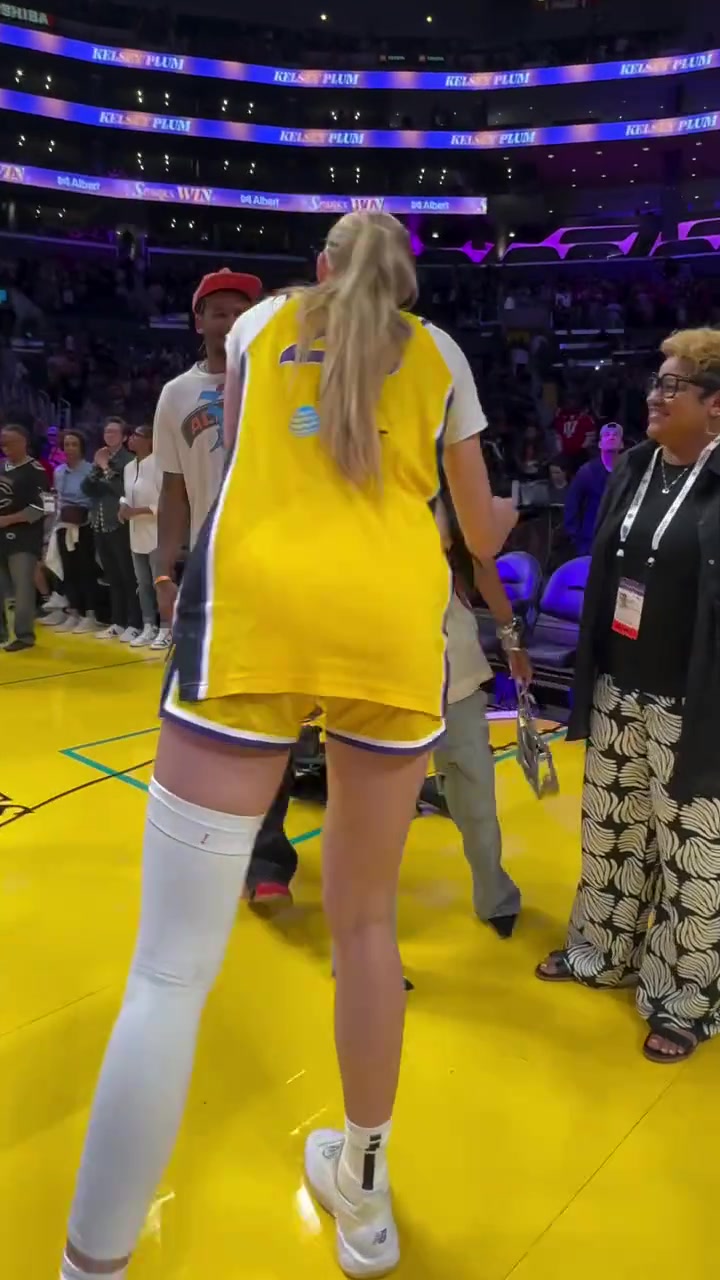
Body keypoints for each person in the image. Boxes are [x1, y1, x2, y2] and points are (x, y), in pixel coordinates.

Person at [60, 211, 517, 1280]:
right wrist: (500, 512)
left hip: (258, 615)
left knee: (168, 972)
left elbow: (247, 457)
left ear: (321, 268)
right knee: (366, 925)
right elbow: (479, 530)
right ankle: (363, 1189)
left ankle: (92, 1262)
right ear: (405, 278)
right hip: (387, 628)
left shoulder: (258, 326)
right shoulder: (442, 355)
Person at [537, 328, 720, 1065]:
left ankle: (687, 996)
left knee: (692, 852)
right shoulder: (638, 466)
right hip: (620, 685)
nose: (656, 394)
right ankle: (601, 952)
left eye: (674, 385)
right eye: (657, 381)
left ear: (715, 404)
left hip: (694, 701)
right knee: (612, 827)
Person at [153, 266, 298, 904]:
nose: (231, 320)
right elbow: (172, 491)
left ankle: (266, 858)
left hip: (273, 566)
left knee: (270, 710)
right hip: (209, 573)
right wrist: (164, 569)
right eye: (219, 310)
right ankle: (201, 845)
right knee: (190, 712)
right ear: (199, 322)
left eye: (243, 309)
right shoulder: (175, 395)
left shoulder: (286, 380)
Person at [435, 493, 530, 936]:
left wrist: (512, 641)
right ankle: (364, 930)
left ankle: (494, 895)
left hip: (456, 671)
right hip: (380, 683)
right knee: (375, 816)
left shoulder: (442, 492)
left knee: (476, 796)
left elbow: (483, 560)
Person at [82, 418, 142, 643]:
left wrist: (105, 468)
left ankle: (135, 623)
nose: (109, 435)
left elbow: (123, 491)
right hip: (99, 523)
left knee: (128, 576)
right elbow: (86, 488)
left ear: (125, 437)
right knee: (112, 576)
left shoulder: (129, 461)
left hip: (119, 524)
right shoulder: (101, 457)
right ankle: (118, 622)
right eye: (106, 432)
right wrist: (98, 467)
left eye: (114, 432)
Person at [0, 423, 49, 651]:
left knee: (22, 589)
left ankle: (24, 635)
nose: (5, 447)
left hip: (23, 538)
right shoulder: (2, 467)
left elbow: (44, 507)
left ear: (23, 443)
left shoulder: (36, 471)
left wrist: (9, 520)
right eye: (2, 443)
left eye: (9, 442)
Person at [119, 424, 168, 649]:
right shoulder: (129, 467)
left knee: (161, 583)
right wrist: (123, 507)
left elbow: (166, 503)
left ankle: (166, 628)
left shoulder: (160, 464)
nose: (131, 439)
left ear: (150, 440)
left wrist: (138, 511)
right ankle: (149, 626)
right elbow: (126, 494)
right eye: (131, 435)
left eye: (137, 435)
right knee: (143, 583)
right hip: (135, 533)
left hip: (157, 533)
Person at [52, 430, 100, 634]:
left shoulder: (90, 470)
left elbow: (94, 498)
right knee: (68, 570)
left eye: (74, 444)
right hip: (64, 524)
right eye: (67, 444)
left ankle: (90, 614)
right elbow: (58, 497)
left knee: (85, 570)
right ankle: (74, 612)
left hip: (85, 525)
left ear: (81, 447)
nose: (70, 448)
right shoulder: (59, 471)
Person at [564, 421, 624, 554]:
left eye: (615, 435)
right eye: (607, 435)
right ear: (600, 444)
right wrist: (575, 536)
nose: (611, 437)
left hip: (620, 540)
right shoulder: (586, 472)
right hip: (590, 540)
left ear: (622, 444)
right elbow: (572, 504)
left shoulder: (628, 471)